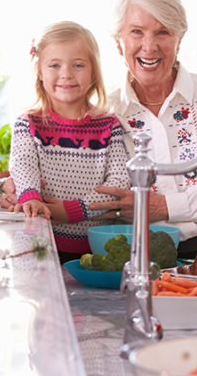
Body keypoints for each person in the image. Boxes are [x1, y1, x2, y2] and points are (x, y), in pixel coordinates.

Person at [4, 0, 197, 260]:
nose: (149, 46)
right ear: (119, 42)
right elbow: (65, 172)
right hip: (138, 257)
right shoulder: (104, 115)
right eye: (136, 32)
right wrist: (21, 189)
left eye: (163, 32)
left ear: (179, 40)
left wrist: (167, 206)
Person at [9, 21, 129, 263]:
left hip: (98, 249)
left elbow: (119, 183)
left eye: (78, 65)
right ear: (40, 72)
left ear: (94, 72)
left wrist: (73, 210)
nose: (66, 74)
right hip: (40, 245)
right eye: (54, 65)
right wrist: (30, 196)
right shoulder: (28, 123)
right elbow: (23, 164)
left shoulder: (109, 125)